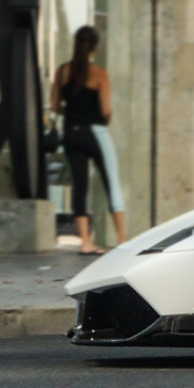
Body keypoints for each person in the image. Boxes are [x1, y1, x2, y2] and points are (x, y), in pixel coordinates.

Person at [50, 26, 125, 254]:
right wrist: (105, 119)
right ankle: (122, 239)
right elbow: (105, 110)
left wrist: (72, 116)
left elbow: (54, 106)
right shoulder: (99, 74)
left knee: (79, 187)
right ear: (95, 47)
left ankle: (85, 242)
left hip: (71, 134)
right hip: (96, 134)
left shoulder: (62, 71)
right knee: (111, 182)